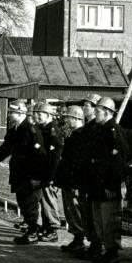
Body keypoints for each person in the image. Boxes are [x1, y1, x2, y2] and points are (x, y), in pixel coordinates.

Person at [0, 101, 46, 245]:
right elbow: (4, 150)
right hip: (19, 175)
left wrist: (37, 177)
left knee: (30, 205)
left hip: (30, 177)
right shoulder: (14, 130)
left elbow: (40, 156)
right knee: (23, 203)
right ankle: (31, 230)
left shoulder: (31, 130)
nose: (8, 115)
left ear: (20, 113)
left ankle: (32, 233)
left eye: (11, 112)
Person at [87, 97, 128, 263]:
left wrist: (112, 185)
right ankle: (106, 249)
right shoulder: (101, 129)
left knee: (109, 220)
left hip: (108, 185)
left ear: (108, 112)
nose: (95, 113)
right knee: (100, 220)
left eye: (98, 111)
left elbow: (118, 161)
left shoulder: (113, 130)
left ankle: (112, 252)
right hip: (98, 184)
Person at [53, 105, 86, 252]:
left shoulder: (80, 136)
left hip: (73, 181)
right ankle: (76, 239)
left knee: (75, 210)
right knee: (70, 211)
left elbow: (78, 162)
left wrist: (76, 183)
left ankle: (79, 239)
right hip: (68, 181)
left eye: (69, 118)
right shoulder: (74, 135)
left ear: (76, 118)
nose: (67, 121)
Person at [75, 93, 102, 260]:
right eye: (84, 105)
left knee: (93, 213)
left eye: (88, 106)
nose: (85, 108)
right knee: (86, 211)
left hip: (92, 177)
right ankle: (92, 242)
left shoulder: (95, 129)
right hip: (84, 176)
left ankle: (96, 244)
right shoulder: (86, 128)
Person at [32, 102, 63, 242]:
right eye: (36, 113)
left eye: (40, 114)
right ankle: (46, 226)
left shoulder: (53, 131)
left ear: (48, 115)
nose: (37, 116)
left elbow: (55, 157)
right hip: (42, 172)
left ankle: (53, 229)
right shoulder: (41, 129)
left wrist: (51, 177)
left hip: (49, 173)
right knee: (43, 201)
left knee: (50, 201)